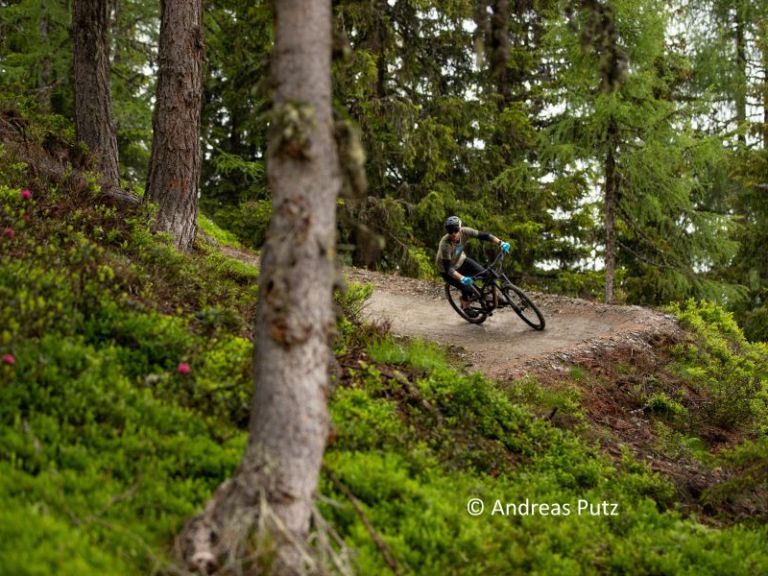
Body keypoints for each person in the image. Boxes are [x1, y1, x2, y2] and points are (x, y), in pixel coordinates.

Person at [436, 215, 511, 316]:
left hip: (461, 261)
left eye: (456, 230)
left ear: (460, 228)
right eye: (450, 231)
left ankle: (493, 297)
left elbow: (484, 235)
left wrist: (500, 243)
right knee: (467, 288)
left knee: (486, 275)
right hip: (447, 271)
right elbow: (448, 268)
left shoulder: (465, 231)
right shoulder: (445, 244)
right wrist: (462, 278)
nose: (453, 234)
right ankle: (466, 306)